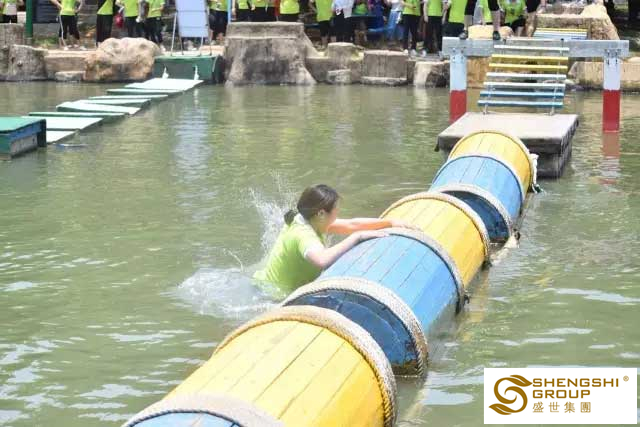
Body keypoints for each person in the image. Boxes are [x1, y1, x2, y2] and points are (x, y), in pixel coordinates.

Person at [253, 185, 417, 293]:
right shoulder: (303, 234)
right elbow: (322, 260)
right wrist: (357, 237)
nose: (337, 214)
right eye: (336, 211)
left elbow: (352, 224)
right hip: (273, 295)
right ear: (321, 213)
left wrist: (389, 222)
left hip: (266, 284)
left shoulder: (309, 219)